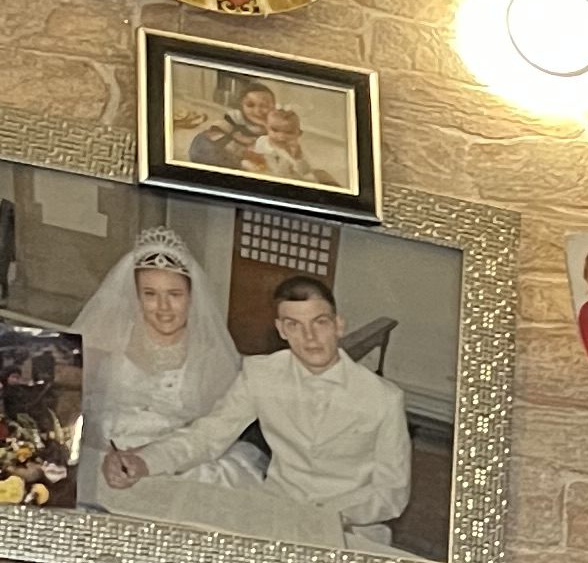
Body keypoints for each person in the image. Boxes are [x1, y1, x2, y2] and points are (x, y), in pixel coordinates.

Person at [111, 272, 414, 546]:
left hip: (351, 528)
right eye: (294, 325)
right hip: (275, 515)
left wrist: (331, 516)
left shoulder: (383, 398)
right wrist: (143, 460)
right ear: (281, 330)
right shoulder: (260, 374)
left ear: (338, 325)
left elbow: (392, 493)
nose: (309, 337)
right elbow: (207, 435)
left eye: (319, 322)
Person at [69, 231, 253, 509]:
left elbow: (210, 432)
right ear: (136, 296)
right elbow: (71, 395)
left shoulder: (212, 356)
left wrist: (146, 458)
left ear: (192, 296)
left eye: (175, 294)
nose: (163, 307)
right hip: (105, 452)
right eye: (150, 294)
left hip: (175, 461)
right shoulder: (109, 335)